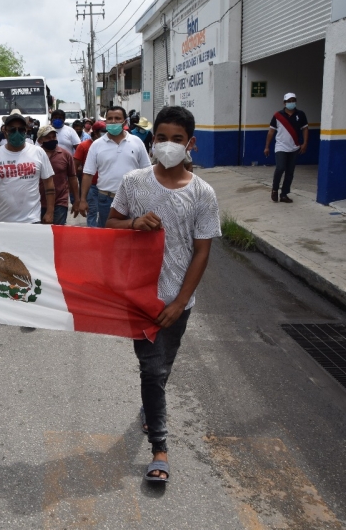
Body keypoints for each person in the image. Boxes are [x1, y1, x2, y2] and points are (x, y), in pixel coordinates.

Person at [107, 106, 220, 482]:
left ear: (191, 144)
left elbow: (202, 251)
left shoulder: (203, 193)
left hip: (178, 302)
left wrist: (178, 302)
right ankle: (160, 448)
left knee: (161, 369)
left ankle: (149, 408)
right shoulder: (134, 182)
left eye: (176, 139)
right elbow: (111, 225)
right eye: (161, 138)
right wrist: (135, 223)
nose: (168, 146)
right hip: (139, 297)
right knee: (152, 370)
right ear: (150, 140)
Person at [78, 106, 151, 227]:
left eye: (117, 118)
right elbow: (87, 174)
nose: (113, 121)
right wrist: (83, 200)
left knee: (132, 234)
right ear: (105, 122)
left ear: (125, 122)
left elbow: (147, 171)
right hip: (106, 199)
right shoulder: (97, 145)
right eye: (110, 118)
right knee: (107, 236)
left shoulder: (136, 142)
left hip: (133, 199)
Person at [0, 111, 55, 225]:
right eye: (12, 130)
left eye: (21, 129)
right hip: (4, 221)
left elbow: (49, 183)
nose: (17, 133)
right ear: (5, 132)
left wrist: (50, 211)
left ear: (26, 131)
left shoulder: (38, 152)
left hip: (32, 219)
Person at [264, 92, 308, 203]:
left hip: (294, 147)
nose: (291, 103)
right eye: (289, 101)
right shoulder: (277, 116)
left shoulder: (301, 115)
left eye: (293, 100)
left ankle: (284, 194)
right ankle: (274, 189)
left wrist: (305, 143)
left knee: (290, 172)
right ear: (284, 103)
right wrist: (267, 147)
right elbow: (271, 132)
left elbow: (305, 129)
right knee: (280, 168)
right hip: (280, 146)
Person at [36, 125, 78, 225]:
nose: (52, 139)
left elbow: (72, 178)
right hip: (37, 202)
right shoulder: (35, 155)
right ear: (40, 140)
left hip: (60, 201)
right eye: (48, 137)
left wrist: (76, 200)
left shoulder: (65, 154)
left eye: (54, 137)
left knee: (57, 233)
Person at [73, 121, 107, 226]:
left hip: (106, 186)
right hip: (91, 185)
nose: (105, 134)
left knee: (104, 213)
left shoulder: (108, 145)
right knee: (92, 211)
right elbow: (75, 165)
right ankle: (92, 234)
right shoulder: (83, 146)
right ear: (95, 133)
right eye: (103, 132)